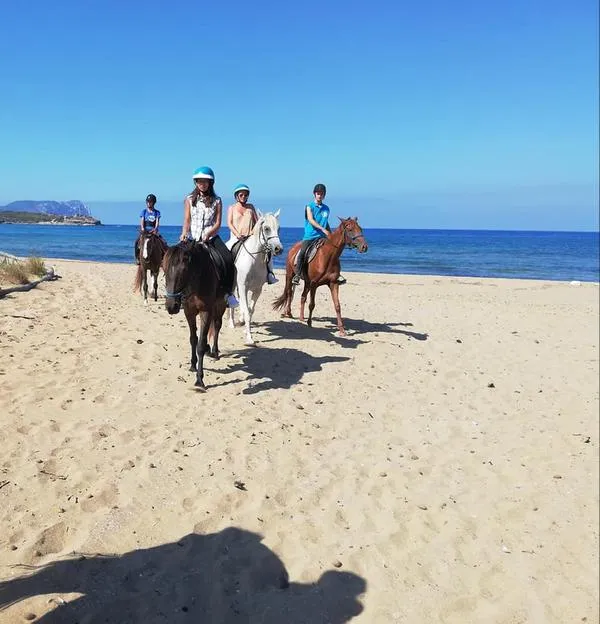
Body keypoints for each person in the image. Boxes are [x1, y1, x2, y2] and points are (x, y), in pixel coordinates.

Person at [179, 166, 239, 308]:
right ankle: (178, 293)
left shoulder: (217, 201)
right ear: (195, 182)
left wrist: (208, 233)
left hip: (211, 238)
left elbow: (217, 223)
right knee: (177, 261)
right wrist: (184, 233)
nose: (202, 184)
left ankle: (228, 293)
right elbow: (187, 220)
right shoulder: (189, 199)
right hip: (193, 238)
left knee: (228, 259)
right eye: (199, 181)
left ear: (210, 183)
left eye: (205, 181)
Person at [291, 183, 346, 286]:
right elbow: (311, 220)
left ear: (324, 195)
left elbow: (325, 221)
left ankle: (337, 273)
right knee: (302, 253)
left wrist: (330, 232)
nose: (320, 195)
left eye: (322, 193)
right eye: (318, 193)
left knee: (334, 251)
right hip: (310, 235)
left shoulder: (326, 208)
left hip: (323, 236)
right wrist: (323, 229)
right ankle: (297, 275)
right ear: (314, 194)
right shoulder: (309, 206)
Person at [226, 183, 278, 285]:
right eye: (241, 195)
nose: (244, 197)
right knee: (225, 253)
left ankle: (270, 274)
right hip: (236, 238)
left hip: (250, 237)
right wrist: (237, 234)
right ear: (236, 196)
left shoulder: (250, 207)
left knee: (267, 250)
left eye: (246, 195)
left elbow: (257, 222)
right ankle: (227, 276)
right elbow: (229, 223)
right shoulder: (232, 208)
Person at [134, 194, 168, 264]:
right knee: (137, 242)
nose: (148, 203)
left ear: (154, 203)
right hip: (145, 231)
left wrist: (155, 229)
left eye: (150, 202)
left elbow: (157, 222)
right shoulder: (144, 212)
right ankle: (137, 258)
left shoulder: (157, 212)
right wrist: (142, 228)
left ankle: (162, 258)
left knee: (163, 242)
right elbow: (142, 221)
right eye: (147, 202)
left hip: (153, 231)